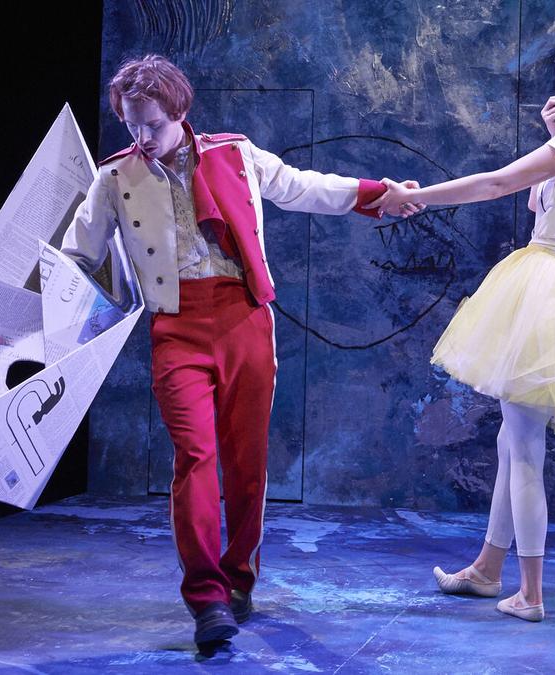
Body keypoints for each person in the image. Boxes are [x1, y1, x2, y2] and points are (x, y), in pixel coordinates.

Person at [60, 54, 420, 646]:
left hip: (244, 319)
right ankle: (206, 598)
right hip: (175, 327)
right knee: (194, 457)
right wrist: (36, 310)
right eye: (131, 124)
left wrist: (380, 193)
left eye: (153, 124)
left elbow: (302, 187)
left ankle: (238, 579)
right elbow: (76, 258)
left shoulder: (236, 154)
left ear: (179, 111)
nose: (142, 137)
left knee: (246, 462)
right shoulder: (115, 178)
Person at [370, 50, 555, 622]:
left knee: (525, 448)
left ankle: (530, 593)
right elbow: (546, 202)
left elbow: (499, 184)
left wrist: (415, 196)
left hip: (547, 290)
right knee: (513, 441)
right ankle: (487, 569)